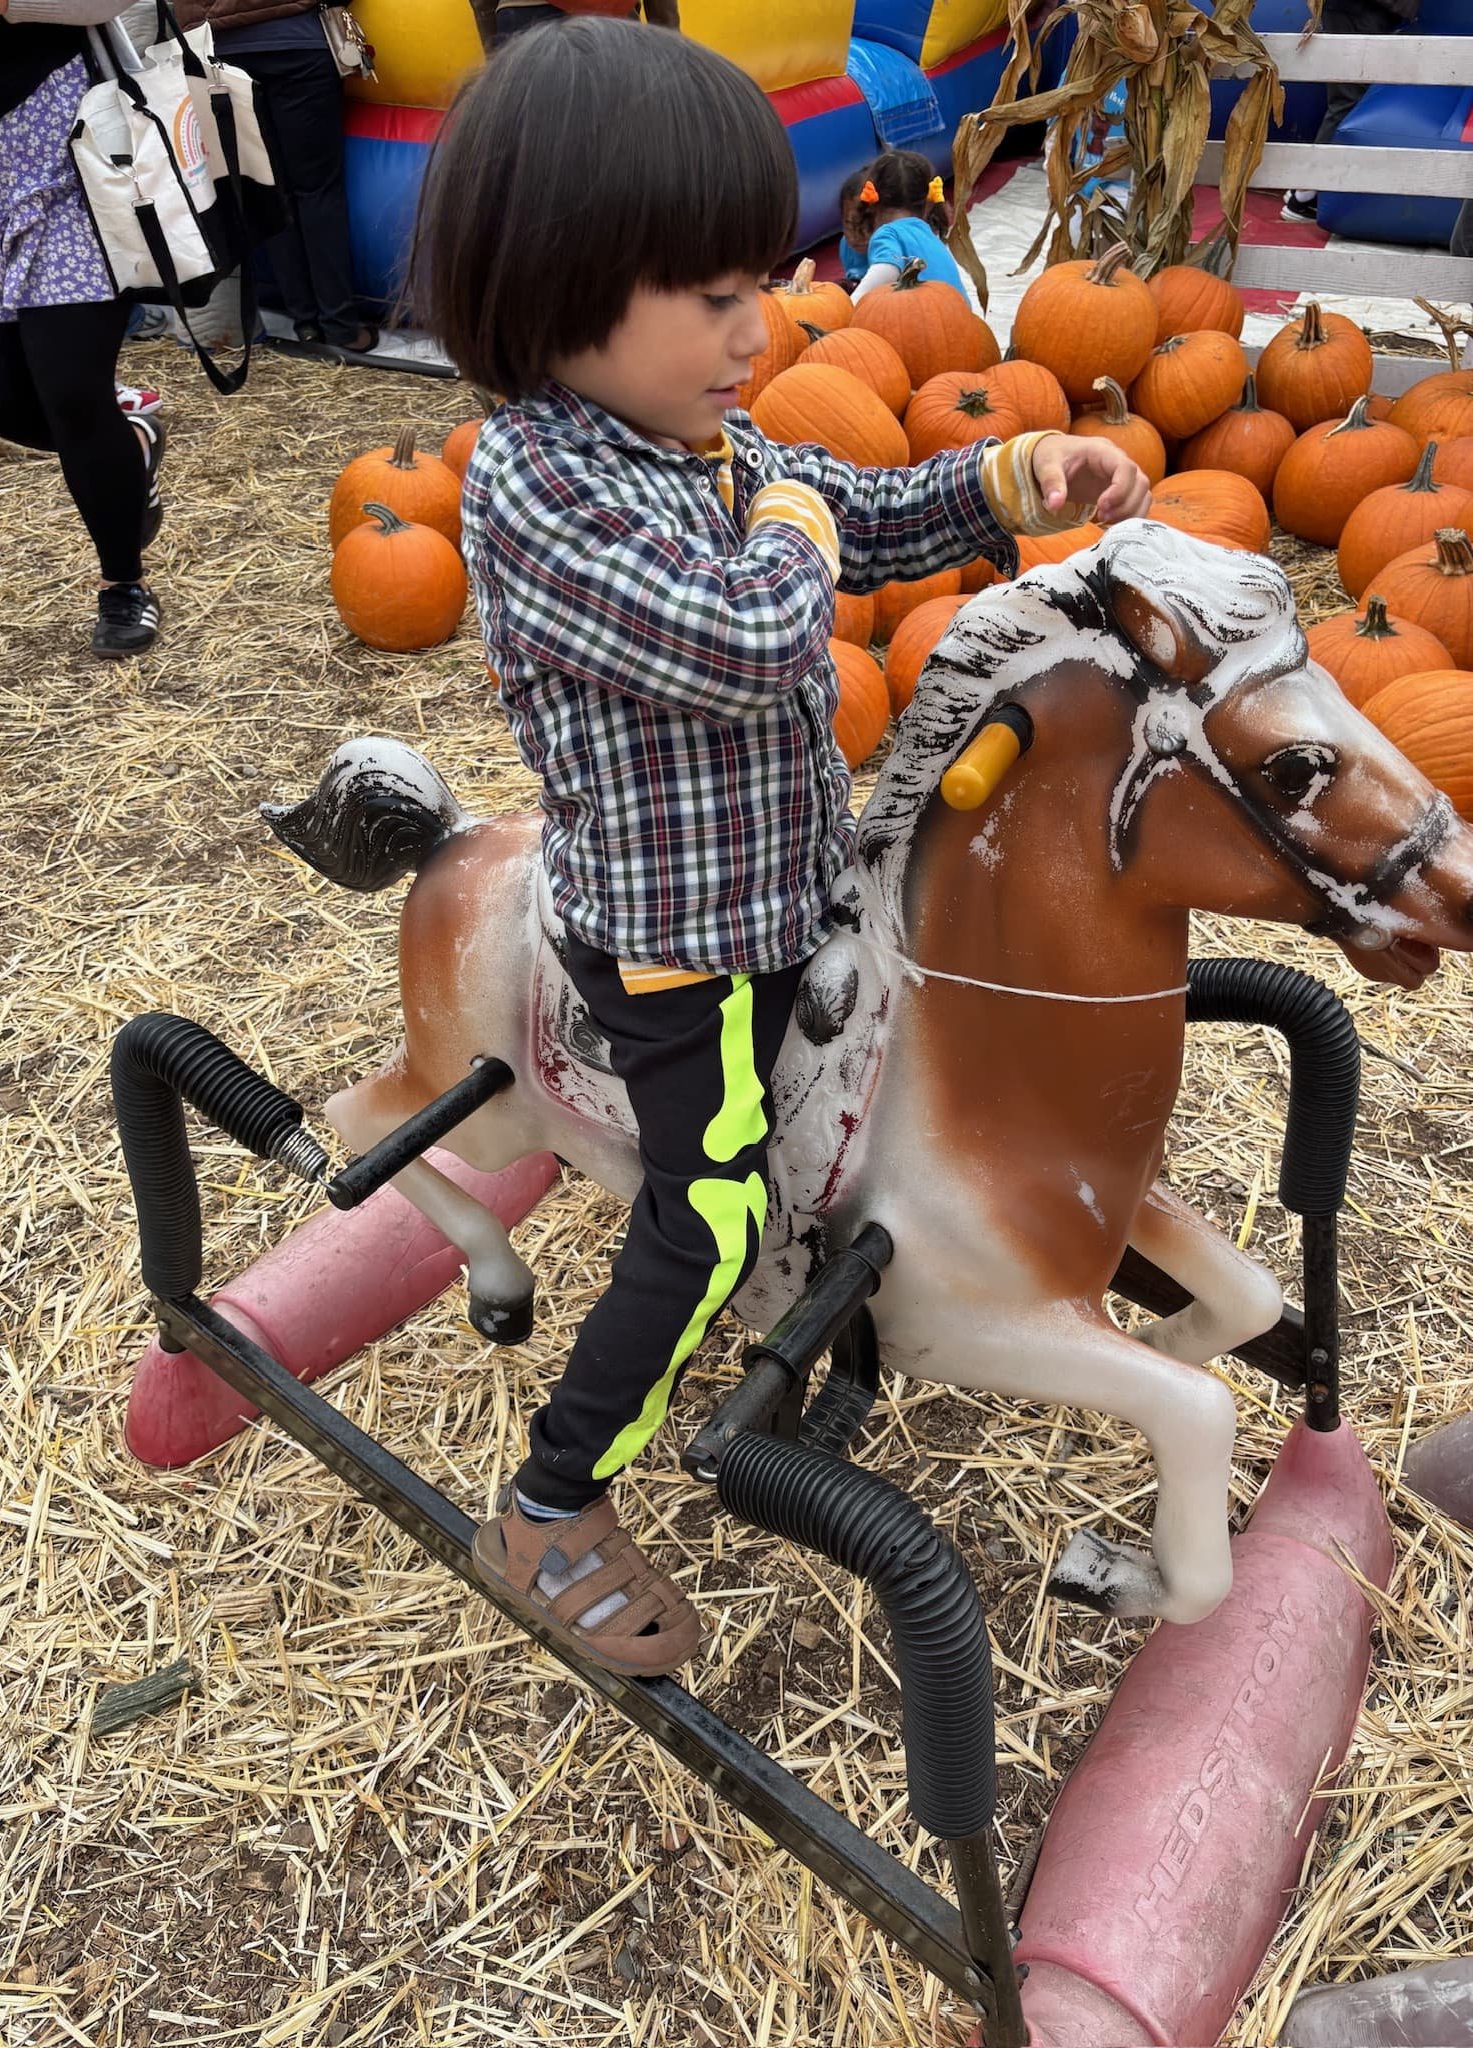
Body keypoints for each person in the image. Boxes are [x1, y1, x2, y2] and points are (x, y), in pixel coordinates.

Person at [411, 19, 1151, 1677]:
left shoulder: (703, 436)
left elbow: (853, 507)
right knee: (711, 1218)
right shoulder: (536, 490)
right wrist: (801, 522)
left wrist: (1011, 476)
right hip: (678, 943)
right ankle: (550, 1500)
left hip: (793, 884)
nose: (762, 328)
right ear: (559, 283)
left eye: (765, 281)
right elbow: (754, 634)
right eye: (716, 295)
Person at [0, 0, 165, 655]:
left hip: (56, 147)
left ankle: (123, 583)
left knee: (71, 393)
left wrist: (2, 3)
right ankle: (133, 437)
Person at [173, 0, 377, 355]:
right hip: (299, 43)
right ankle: (340, 326)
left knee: (268, 188)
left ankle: (304, 322)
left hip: (222, 53)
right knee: (317, 190)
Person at [1282, 0, 1420, 224]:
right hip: (1361, 10)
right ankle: (1305, 194)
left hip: (1360, 10)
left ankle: (1305, 188)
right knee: (1350, 100)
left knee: (1348, 98)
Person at [848, 147, 969, 302]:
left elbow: (886, 269)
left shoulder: (889, 234)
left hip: (928, 316)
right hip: (963, 314)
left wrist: (850, 306)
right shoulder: (928, 236)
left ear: (871, 202)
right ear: (929, 203)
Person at [470, 0, 676, 52]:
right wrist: (669, 42)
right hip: (613, 19)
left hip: (524, 17)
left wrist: (494, 53)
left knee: (528, 135)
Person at [838, 166, 872, 288]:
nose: (857, 236)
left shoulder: (894, 251)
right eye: (849, 224)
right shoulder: (846, 246)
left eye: (867, 225)